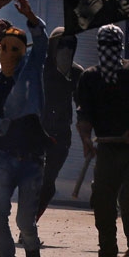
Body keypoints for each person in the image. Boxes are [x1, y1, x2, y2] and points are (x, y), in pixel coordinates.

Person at [0, 0, 50, 257]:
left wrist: (31, 16)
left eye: (14, 49)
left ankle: (31, 246)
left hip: (31, 159)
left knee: (24, 221)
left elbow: (41, 43)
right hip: (4, 158)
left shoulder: (30, 70)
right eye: (3, 48)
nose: (8, 53)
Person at [76, 24, 129, 257]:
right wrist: (86, 139)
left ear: (120, 47)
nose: (107, 51)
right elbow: (84, 115)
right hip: (107, 150)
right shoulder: (90, 77)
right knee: (102, 204)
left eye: (112, 45)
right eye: (103, 46)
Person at [38, 26, 83, 219]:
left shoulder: (76, 73)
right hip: (37, 132)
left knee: (48, 180)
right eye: (61, 44)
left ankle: (32, 219)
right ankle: (26, 218)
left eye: (69, 45)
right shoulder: (39, 68)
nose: (65, 49)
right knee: (33, 179)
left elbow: (82, 104)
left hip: (61, 134)